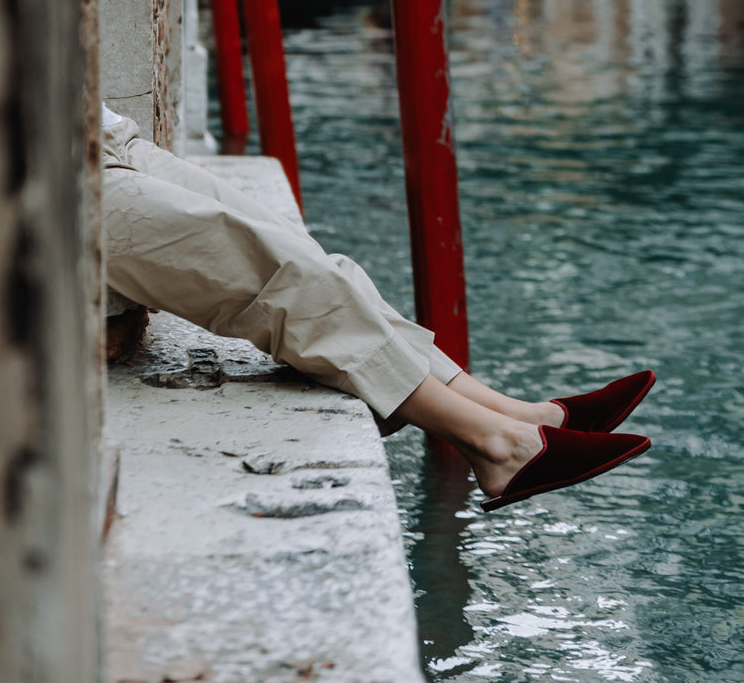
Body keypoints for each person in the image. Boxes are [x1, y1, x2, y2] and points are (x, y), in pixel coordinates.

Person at [103, 106, 653, 510]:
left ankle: (518, 414)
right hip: (60, 175)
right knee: (293, 282)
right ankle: (499, 447)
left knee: (317, 265)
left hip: (109, 137)